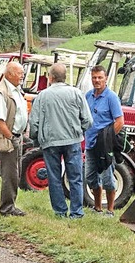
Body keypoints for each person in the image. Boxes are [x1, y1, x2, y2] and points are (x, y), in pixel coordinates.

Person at [29, 63, 92, 218]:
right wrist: (78, 131)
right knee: (75, 177)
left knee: (54, 177)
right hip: (72, 140)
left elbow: (34, 123)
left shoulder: (42, 96)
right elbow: (88, 120)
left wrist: (36, 139)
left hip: (50, 142)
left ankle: (60, 211)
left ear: (51, 77)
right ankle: (77, 212)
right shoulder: (76, 93)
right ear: (65, 77)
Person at [0, 61, 28, 216]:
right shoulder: (1, 93)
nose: (22, 76)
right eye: (19, 73)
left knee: (16, 173)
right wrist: (11, 137)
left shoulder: (14, 89)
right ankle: (7, 208)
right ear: (9, 74)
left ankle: (10, 205)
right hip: (8, 139)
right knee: (10, 174)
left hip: (16, 136)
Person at [84, 65, 124, 216]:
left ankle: (110, 210)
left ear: (106, 78)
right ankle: (97, 207)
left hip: (105, 147)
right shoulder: (88, 96)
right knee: (90, 176)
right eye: (94, 77)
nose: (97, 80)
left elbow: (119, 121)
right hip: (90, 144)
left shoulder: (111, 97)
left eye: (100, 77)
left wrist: (107, 139)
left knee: (108, 177)